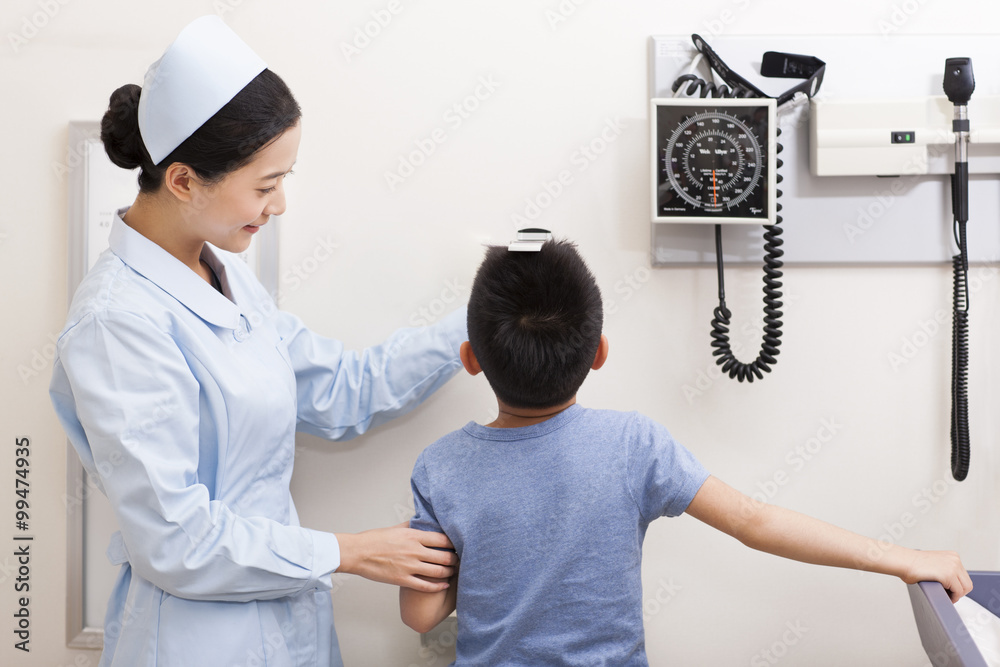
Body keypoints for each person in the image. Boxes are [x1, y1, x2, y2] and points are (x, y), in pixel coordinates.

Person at [49, 16, 459, 667]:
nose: (281, 204)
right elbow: (177, 540)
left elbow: (339, 388)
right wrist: (348, 551)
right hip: (193, 642)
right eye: (266, 185)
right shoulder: (116, 322)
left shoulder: (226, 275)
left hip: (287, 630)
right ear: (183, 180)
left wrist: (473, 327)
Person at [398, 238, 973, 665]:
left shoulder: (442, 466)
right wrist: (903, 558)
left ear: (471, 357)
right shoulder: (633, 445)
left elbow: (419, 614)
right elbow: (756, 521)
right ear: (599, 352)